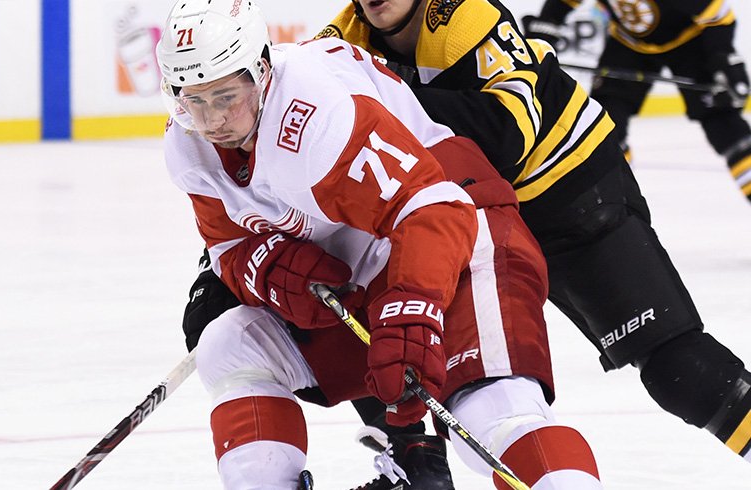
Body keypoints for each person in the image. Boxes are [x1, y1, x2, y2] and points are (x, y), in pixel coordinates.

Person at [158, 0, 605, 489]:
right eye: (192, 100)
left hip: (461, 232)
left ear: (261, 71)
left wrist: (412, 313)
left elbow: (433, 209)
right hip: (364, 265)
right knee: (230, 345)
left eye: (224, 96)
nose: (212, 120)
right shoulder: (188, 143)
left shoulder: (317, 112)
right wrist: (270, 269)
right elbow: (229, 244)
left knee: (491, 413)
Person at [313, 0, 751, 480]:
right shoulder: (340, 42)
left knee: (678, 369)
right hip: (470, 216)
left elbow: (508, 136)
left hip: (568, 194)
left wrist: (380, 92)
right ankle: (414, 462)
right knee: (367, 316)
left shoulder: (464, 16)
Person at [523, 0, 751, 200]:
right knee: (606, 122)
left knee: (723, 123)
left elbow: (718, 14)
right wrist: (546, 26)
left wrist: (723, 57)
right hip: (628, 43)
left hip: (689, 41)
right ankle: (613, 200)